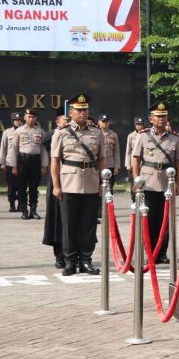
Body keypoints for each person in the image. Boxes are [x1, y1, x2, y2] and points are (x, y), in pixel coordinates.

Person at [50, 93, 106, 275]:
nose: (83, 113)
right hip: (69, 183)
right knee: (69, 225)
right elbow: (55, 161)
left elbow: (102, 160)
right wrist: (56, 186)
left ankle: (86, 260)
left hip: (90, 181)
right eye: (79, 110)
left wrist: (102, 184)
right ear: (71, 112)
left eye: (85, 110)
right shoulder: (61, 132)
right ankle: (70, 261)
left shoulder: (97, 132)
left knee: (88, 225)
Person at [132, 101, 179, 264]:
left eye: (164, 116)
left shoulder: (174, 138)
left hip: (166, 183)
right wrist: (136, 180)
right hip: (147, 182)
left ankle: (162, 252)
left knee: (164, 220)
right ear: (151, 118)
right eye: (158, 116)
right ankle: (150, 252)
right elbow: (136, 159)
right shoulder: (143, 135)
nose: (161, 119)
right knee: (149, 218)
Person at [43, 108, 68, 268]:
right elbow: (46, 140)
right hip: (57, 180)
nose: (67, 122)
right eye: (64, 120)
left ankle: (76, 254)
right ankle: (59, 255)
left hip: (76, 180)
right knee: (58, 219)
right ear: (57, 122)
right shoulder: (53, 135)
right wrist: (60, 131)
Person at [12, 109, 48, 219]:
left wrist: (44, 165)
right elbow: (14, 149)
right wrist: (13, 165)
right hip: (23, 160)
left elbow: (43, 150)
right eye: (29, 116)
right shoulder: (19, 131)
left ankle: (33, 210)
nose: (31, 119)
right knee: (22, 187)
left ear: (36, 118)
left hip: (35, 161)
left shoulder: (40, 131)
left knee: (34, 187)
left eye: (33, 117)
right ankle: (24, 210)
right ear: (24, 117)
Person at [0, 112, 22, 212]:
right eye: (15, 120)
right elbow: (3, 148)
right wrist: (2, 162)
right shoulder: (7, 132)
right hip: (9, 162)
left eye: (19, 120)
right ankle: (12, 204)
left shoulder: (24, 131)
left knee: (22, 185)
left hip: (22, 162)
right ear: (12, 121)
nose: (17, 121)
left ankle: (21, 205)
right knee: (11, 186)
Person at [98, 114, 121, 192]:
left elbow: (116, 151)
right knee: (98, 187)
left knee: (109, 187)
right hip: (97, 165)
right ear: (99, 122)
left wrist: (117, 166)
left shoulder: (113, 135)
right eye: (103, 121)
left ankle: (109, 204)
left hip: (110, 164)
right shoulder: (95, 133)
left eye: (106, 121)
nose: (105, 123)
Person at [125, 117, 145, 199]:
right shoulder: (131, 136)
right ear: (135, 125)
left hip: (144, 164)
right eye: (137, 124)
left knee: (144, 184)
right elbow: (128, 151)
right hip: (133, 163)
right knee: (134, 185)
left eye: (141, 124)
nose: (139, 126)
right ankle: (134, 202)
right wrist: (128, 165)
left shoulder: (146, 134)